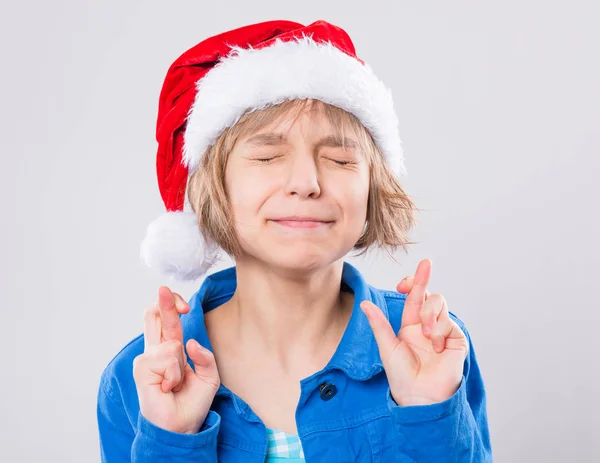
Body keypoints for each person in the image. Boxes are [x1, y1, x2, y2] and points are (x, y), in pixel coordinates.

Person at [96, 19, 493, 462]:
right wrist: (173, 442)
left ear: (370, 189)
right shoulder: (140, 381)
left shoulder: (434, 350)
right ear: (215, 188)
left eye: (340, 159)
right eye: (267, 156)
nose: (306, 182)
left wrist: (430, 419)